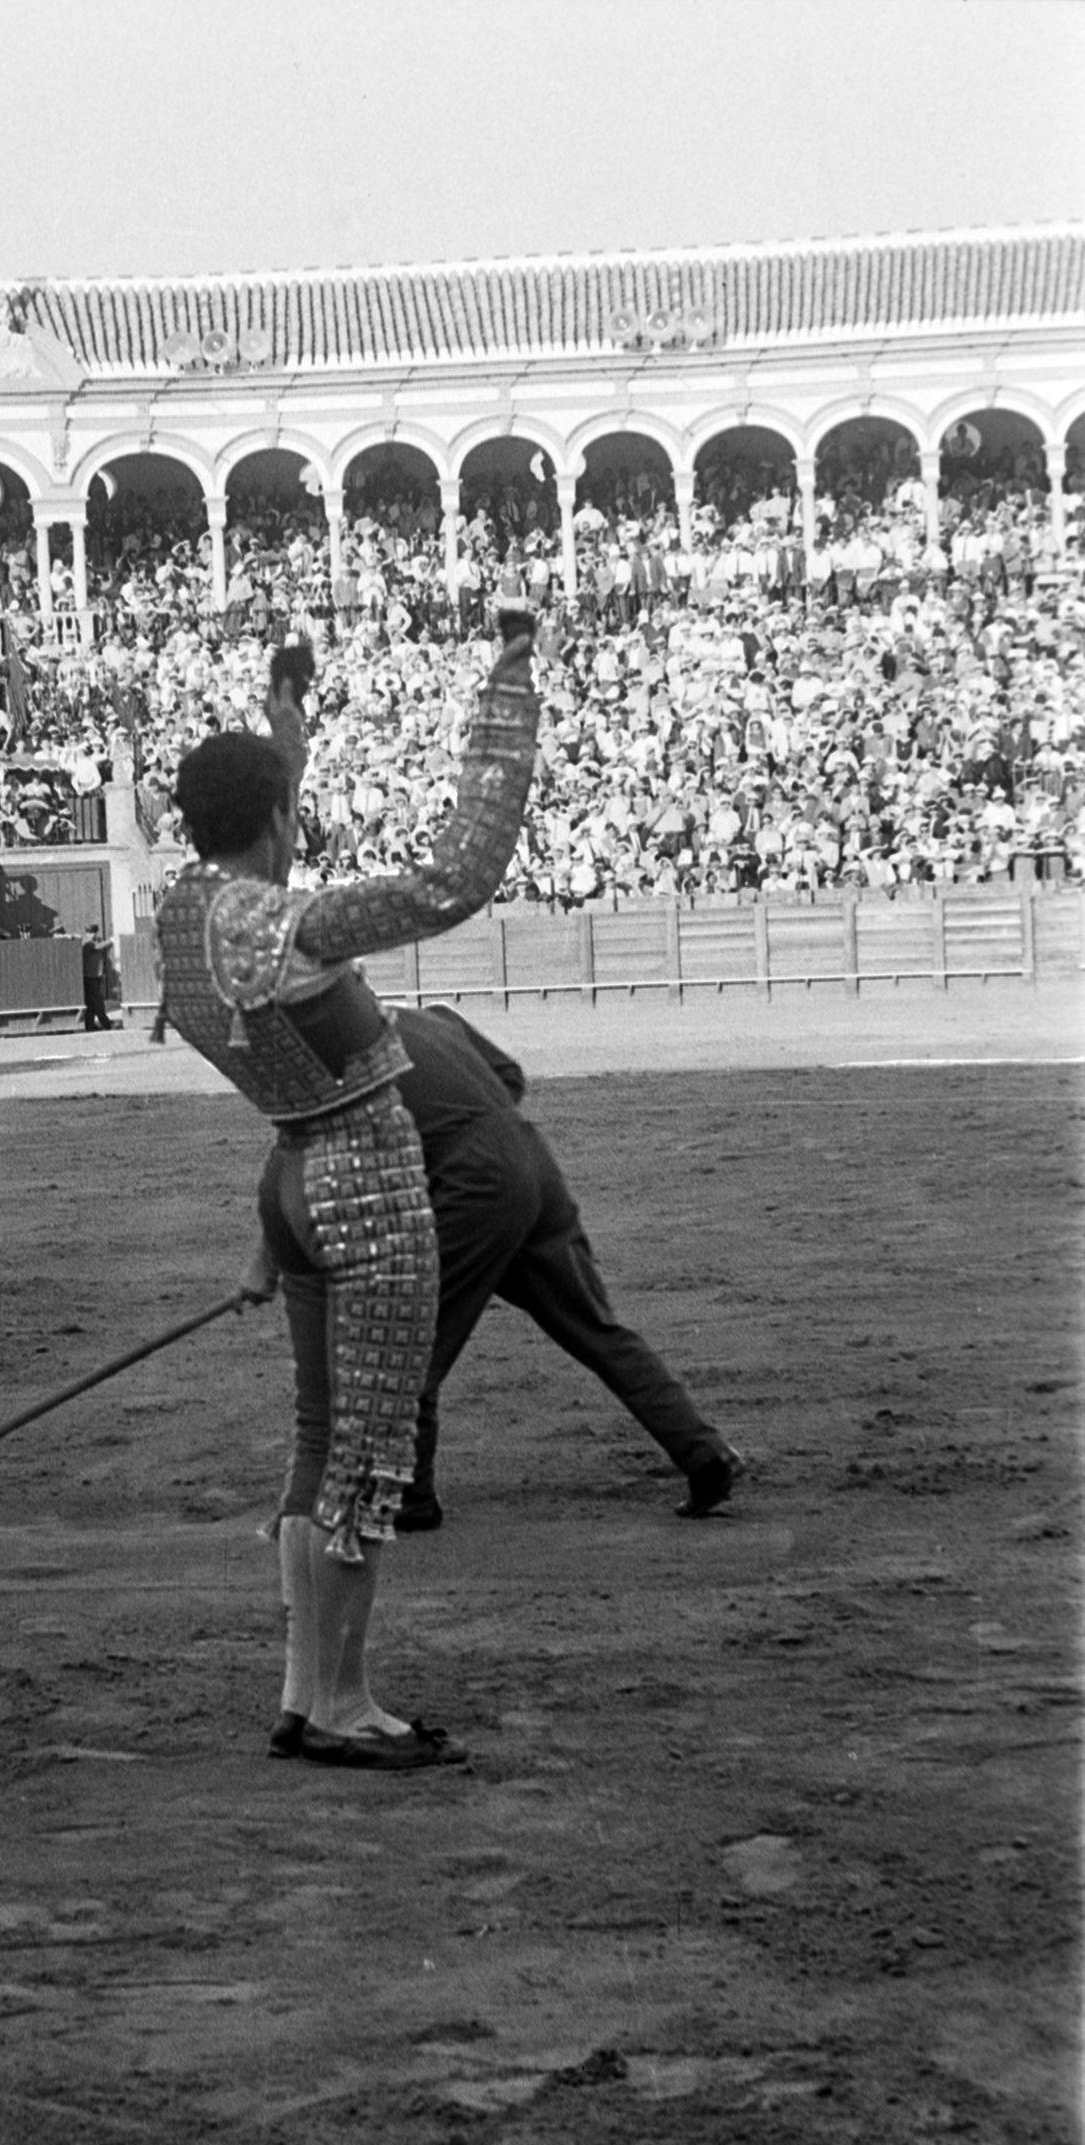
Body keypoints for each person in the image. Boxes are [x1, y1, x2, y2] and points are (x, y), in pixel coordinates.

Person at [155, 623, 540, 1770]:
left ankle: (302, 1691)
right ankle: (341, 1703)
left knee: (318, 1440)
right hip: (366, 1187)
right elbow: (454, 877)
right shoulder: (295, 926)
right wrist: (507, 698)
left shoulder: (183, 917)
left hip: (290, 1180)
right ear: (278, 819)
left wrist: (285, 732)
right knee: (365, 1453)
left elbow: (256, 842)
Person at [382, 1005, 742, 1530]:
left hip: (469, 1182)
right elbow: (509, 1076)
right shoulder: (432, 1018)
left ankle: (409, 1496)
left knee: (409, 1337)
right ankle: (703, 1451)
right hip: (529, 1158)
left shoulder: (343, 1056)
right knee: (596, 1327)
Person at [79, 922, 118, 1031]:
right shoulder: (87, 943)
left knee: (91, 1004)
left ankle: (90, 1025)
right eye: (90, 932)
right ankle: (106, 1024)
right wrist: (110, 941)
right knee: (98, 1002)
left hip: (94, 976)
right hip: (90, 977)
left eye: (93, 932)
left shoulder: (93, 942)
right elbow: (97, 947)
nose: (92, 935)